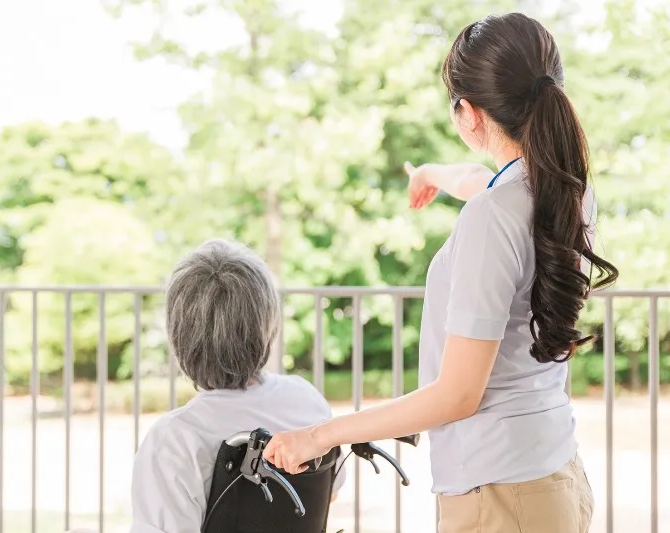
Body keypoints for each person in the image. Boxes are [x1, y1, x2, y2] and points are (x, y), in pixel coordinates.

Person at [262, 13, 618, 533]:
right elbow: (481, 179)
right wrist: (430, 174)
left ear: (467, 115)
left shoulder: (492, 218)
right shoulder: (567, 191)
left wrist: (319, 435)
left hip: (501, 498)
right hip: (551, 478)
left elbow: (457, 395)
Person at [127, 239, 345, 533]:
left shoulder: (175, 440)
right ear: (267, 325)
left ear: (179, 335)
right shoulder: (306, 400)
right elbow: (328, 494)